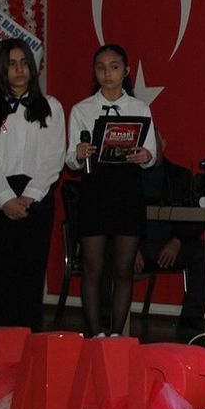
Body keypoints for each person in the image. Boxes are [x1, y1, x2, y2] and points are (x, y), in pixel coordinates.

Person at [65, 44, 158, 338]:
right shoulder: (81, 109)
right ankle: (95, 334)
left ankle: (117, 334)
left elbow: (151, 155)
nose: (108, 74)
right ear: (94, 72)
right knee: (92, 266)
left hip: (127, 190)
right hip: (94, 190)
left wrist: (145, 156)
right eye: (101, 68)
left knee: (124, 267)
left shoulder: (140, 108)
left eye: (114, 67)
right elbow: (70, 160)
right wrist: (78, 153)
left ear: (126, 71)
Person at [0, 38, 66, 332]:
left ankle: (29, 345)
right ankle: (1, 345)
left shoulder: (51, 107)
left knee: (31, 275)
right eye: (12, 64)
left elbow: (52, 157)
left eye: (24, 63)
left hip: (36, 197)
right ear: (1, 69)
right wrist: (5, 199)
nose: (19, 69)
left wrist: (29, 197)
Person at [139, 129, 205, 342]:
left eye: (154, 143)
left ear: (163, 144)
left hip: (171, 245)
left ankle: (191, 319)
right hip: (136, 245)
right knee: (107, 249)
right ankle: (107, 320)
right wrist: (132, 247)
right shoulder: (128, 178)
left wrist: (177, 241)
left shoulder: (181, 176)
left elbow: (197, 218)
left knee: (203, 252)